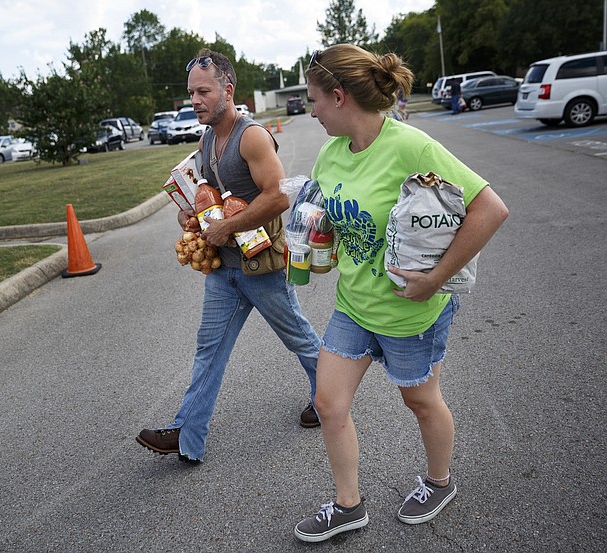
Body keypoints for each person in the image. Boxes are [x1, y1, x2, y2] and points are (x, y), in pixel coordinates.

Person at [292, 45, 509, 542]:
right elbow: (334, 213)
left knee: (421, 402)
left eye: (314, 100)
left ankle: (439, 482)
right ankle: (349, 506)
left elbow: (490, 210)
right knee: (328, 403)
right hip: (354, 305)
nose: (311, 110)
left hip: (411, 311)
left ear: (340, 97)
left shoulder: (411, 146)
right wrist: (317, 231)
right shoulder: (330, 153)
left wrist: (436, 278)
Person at [135, 49, 322, 463]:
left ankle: (330, 401)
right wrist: (193, 213)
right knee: (209, 349)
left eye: (203, 91)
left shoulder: (251, 136)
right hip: (224, 271)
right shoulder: (206, 138)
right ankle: (187, 436)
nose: (195, 100)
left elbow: (278, 197)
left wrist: (226, 228)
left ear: (227, 89)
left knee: (301, 340)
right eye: (191, 93)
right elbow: (217, 196)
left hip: (262, 268)